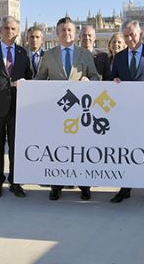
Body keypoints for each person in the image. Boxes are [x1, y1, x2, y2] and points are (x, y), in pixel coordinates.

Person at [35, 16, 101, 200]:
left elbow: (96, 77)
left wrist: (90, 80)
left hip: (79, 111)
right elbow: (40, 79)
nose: (67, 33)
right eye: (63, 30)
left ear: (75, 33)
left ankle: (84, 186)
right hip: (58, 110)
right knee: (59, 148)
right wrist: (26, 86)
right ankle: (56, 186)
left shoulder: (85, 54)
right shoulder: (48, 55)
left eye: (70, 30)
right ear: (57, 33)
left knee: (81, 148)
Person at [110, 21, 144, 207]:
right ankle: (125, 187)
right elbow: (112, 81)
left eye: (132, 34)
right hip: (125, 114)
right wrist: (114, 82)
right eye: (125, 36)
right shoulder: (118, 57)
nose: (129, 39)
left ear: (140, 33)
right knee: (125, 150)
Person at [0, 17, 33, 198]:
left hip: (18, 109)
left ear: (18, 32)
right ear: (0, 30)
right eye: (6, 28)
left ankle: (15, 182)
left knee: (16, 148)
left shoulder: (23, 53)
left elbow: (29, 79)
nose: (10, 31)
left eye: (13, 29)